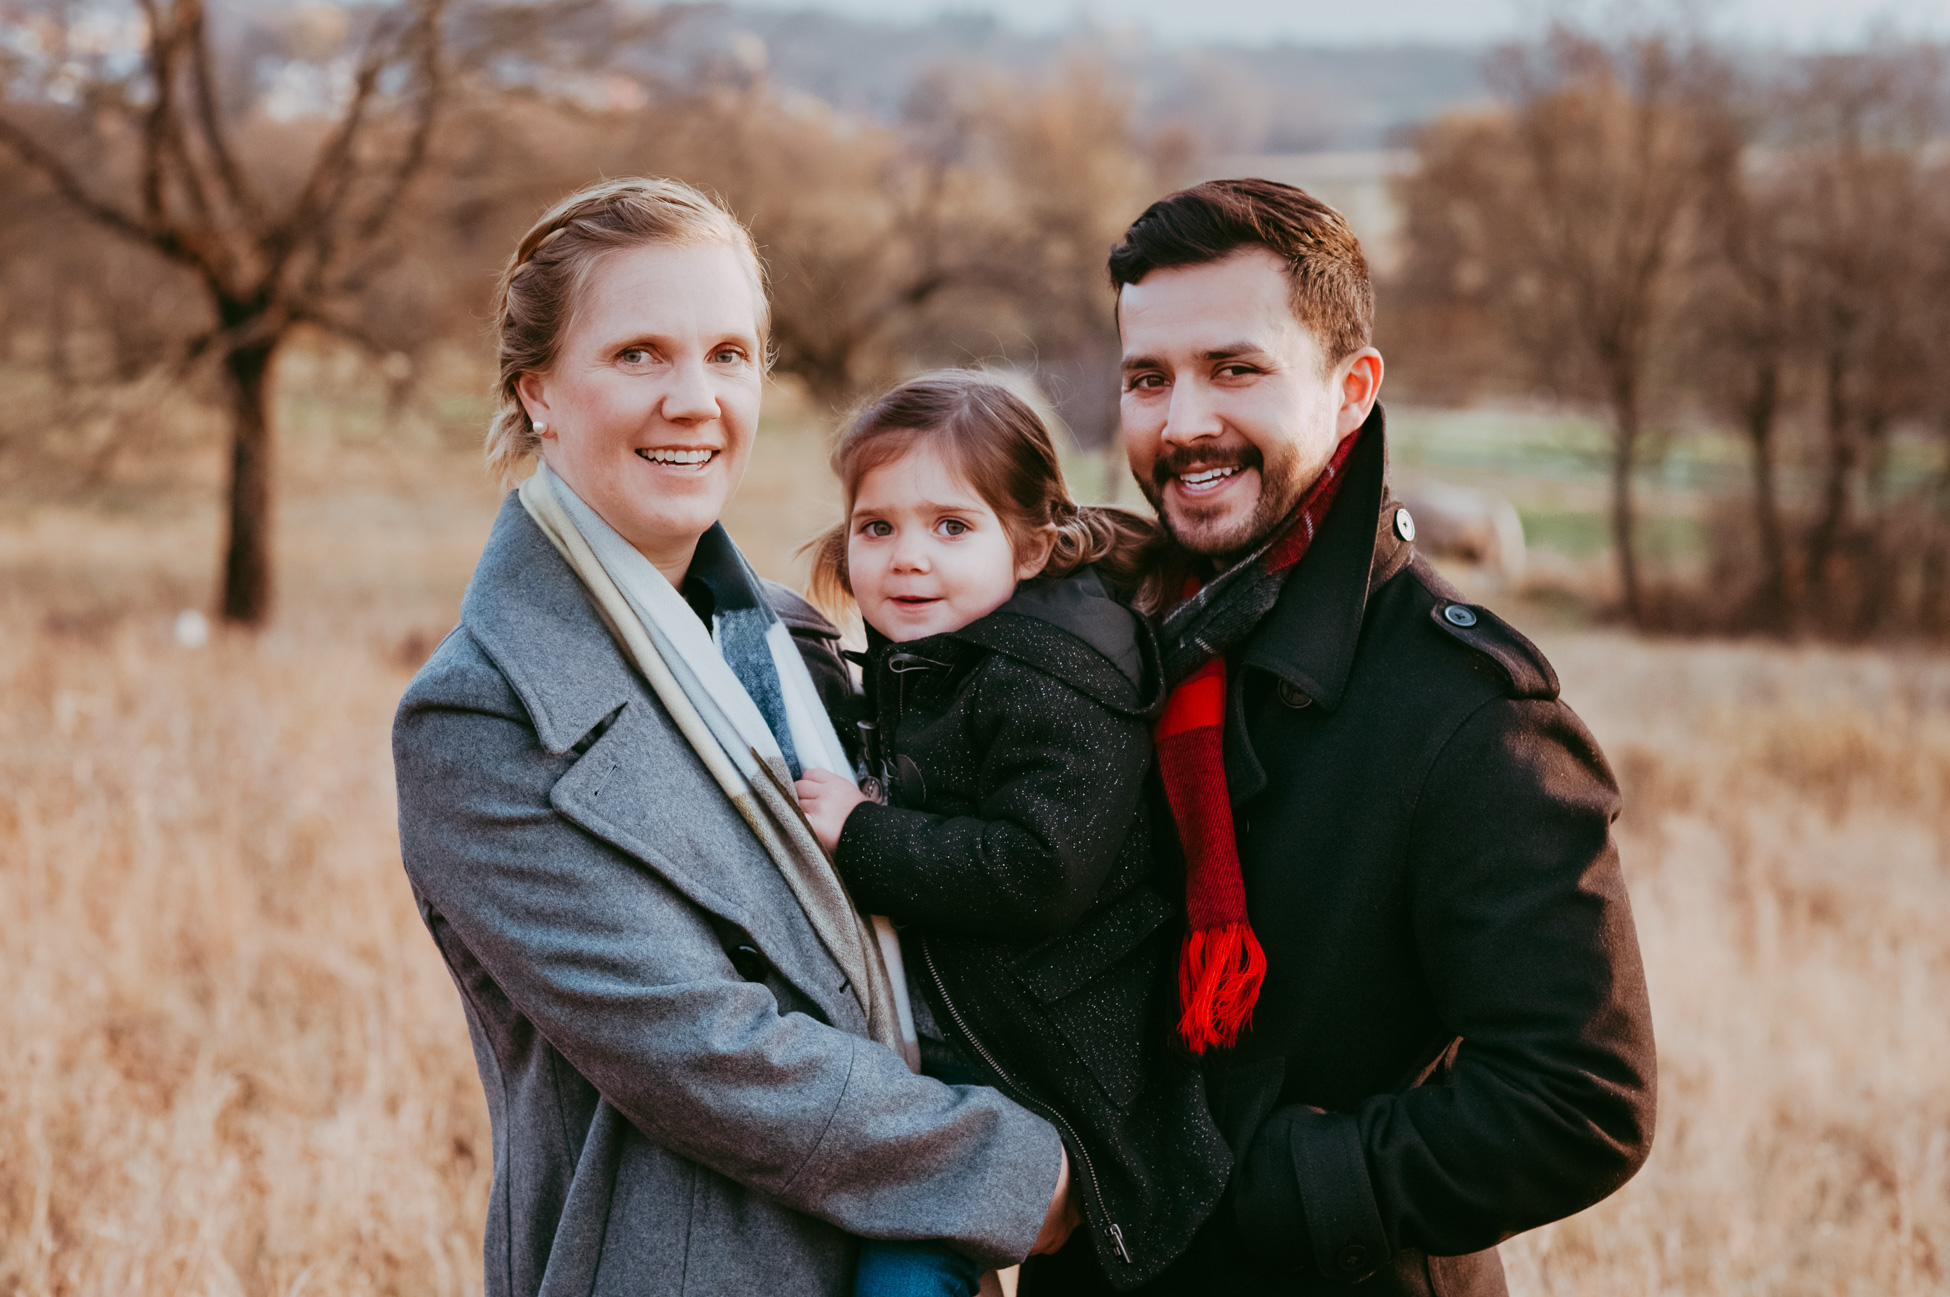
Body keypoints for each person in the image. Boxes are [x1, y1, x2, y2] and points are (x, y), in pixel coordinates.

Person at [391, 178, 1076, 1297]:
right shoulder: (482, 713)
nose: (694, 399)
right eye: (639, 355)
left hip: (911, 1254)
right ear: (540, 394)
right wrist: (1024, 1174)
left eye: (729, 354)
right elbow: (701, 1052)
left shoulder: (800, 639)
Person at [1021, 179, 1657, 1295]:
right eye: (1147, 379)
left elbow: (1582, 1098)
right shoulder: (1109, 643)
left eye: (1236, 369)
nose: (1184, 425)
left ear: (1352, 389)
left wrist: (1266, 1188)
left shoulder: (1469, 711)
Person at [791, 374, 1233, 1296]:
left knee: (905, 1267)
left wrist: (864, 836)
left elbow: (1039, 869)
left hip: (1053, 1062)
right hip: (973, 1044)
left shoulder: (1051, 681)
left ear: (1030, 547)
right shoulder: (935, 657)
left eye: (952, 527)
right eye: (878, 527)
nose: (908, 558)